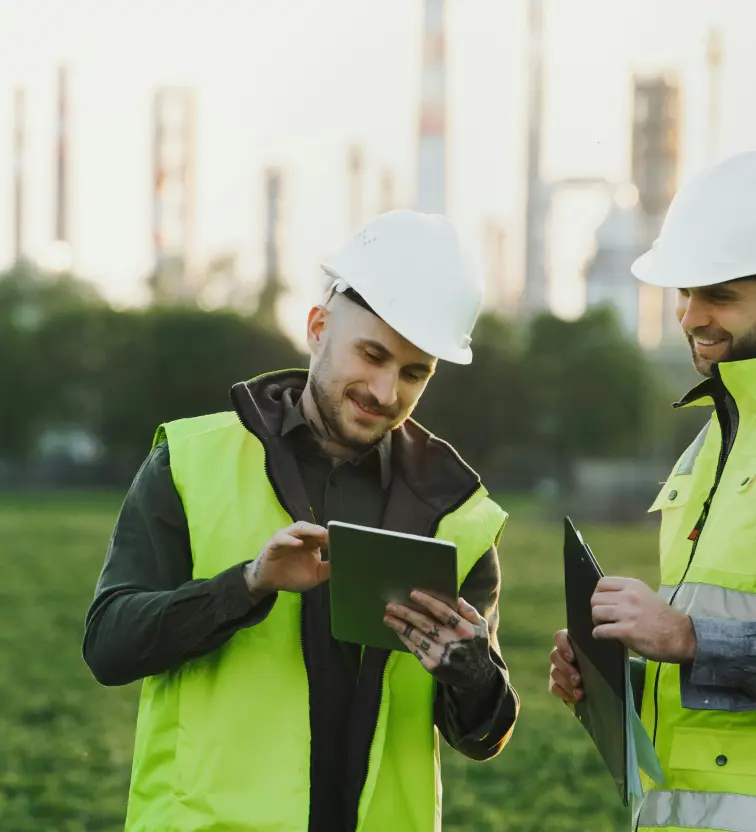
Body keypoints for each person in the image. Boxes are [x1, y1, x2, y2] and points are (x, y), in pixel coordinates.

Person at [84, 209, 519, 832]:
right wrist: (247, 585)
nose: (385, 390)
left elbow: (483, 736)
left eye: (414, 372)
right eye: (371, 354)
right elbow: (108, 647)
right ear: (317, 328)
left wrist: (469, 671)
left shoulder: (457, 512)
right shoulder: (189, 461)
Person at [549, 151, 756, 831]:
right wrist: (615, 684)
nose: (690, 316)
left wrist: (687, 636)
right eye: (683, 292)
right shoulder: (711, 445)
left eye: (718, 294)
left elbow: (695, 640)